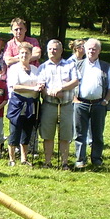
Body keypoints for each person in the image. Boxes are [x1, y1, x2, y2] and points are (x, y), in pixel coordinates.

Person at [72, 39, 110, 169]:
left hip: (99, 105)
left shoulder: (106, 67)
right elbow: (71, 83)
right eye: (89, 48)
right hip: (81, 104)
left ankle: (96, 159)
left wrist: (105, 100)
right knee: (80, 133)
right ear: (85, 50)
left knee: (97, 134)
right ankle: (80, 159)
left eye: (94, 49)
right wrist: (75, 99)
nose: (91, 51)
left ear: (99, 50)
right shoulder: (78, 65)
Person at [37, 39, 78, 169]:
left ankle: (64, 163)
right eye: (50, 49)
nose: (52, 51)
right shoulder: (43, 67)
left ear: (61, 51)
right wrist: (50, 92)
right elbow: (40, 84)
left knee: (65, 135)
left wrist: (61, 88)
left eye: (55, 49)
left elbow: (75, 81)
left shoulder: (70, 65)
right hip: (49, 104)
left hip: (66, 105)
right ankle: (47, 162)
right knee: (47, 134)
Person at [6, 42, 44, 166]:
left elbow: (39, 82)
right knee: (15, 129)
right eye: (21, 53)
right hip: (18, 102)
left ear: (30, 54)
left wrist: (40, 86)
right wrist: (32, 88)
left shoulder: (35, 69)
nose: (24, 55)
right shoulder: (14, 68)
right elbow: (15, 86)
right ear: (18, 53)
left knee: (28, 130)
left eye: (26, 53)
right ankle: (11, 159)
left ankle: (24, 158)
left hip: (32, 103)